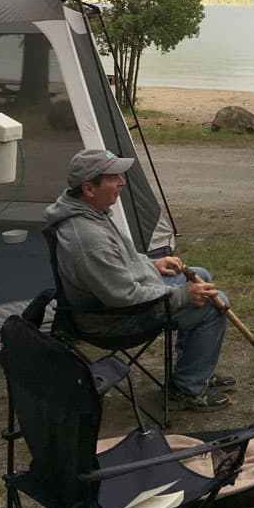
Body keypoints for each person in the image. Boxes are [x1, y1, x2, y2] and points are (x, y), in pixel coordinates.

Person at [44, 148, 234, 412]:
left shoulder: (88, 211)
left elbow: (122, 262)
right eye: (113, 177)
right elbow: (123, 296)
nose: (122, 181)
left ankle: (194, 369)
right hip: (114, 320)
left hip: (120, 301)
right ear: (89, 188)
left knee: (200, 275)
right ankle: (187, 388)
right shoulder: (87, 237)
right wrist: (181, 295)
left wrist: (152, 264)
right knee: (215, 303)